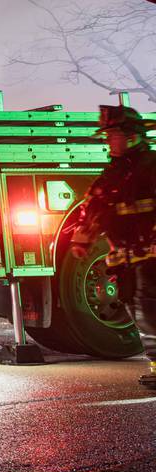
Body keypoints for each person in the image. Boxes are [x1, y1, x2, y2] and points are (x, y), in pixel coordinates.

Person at [69, 105, 156, 389]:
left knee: (150, 311)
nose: (108, 141)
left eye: (112, 135)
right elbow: (94, 206)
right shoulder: (114, 174)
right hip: (127, 260)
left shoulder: (151, 166)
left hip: (151, 256)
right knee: (141, 312)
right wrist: (83, 239)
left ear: (131, 136)